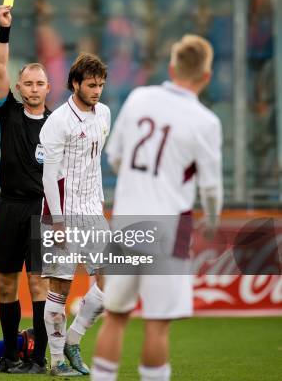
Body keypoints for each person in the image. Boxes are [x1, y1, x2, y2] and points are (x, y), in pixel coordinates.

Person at [91, 35, 222, 381]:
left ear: (171, 68)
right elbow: (210, 187)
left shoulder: (139, 98)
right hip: (170, 228)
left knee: (116, 316)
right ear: (206, 77)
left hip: (127, 221)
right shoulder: (205, 121)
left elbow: (115, 155)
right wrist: (211, 218)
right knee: (157, 324)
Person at [0, 3, 50, 374]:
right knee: (6, 287)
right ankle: (9, 356)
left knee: (38, 285)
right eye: (28, 83)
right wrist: (4, 30)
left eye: (40, 83)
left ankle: (38, 359)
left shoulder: (58, 124)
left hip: (42, 210)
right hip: (8, 207)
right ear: (19, 86)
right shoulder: (7, 111)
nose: (34, 89)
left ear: (48, 87)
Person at [39, 53, 111, 376]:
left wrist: (98, 202)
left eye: (101, 86)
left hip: (93, 212)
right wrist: (57, 221)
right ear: (75, 84)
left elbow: (92, 165)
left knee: (113, 283)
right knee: (60, 289)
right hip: (62, 214)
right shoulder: (58, 122)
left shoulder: (105, 114)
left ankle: (73, 338)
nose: (97, 91)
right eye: (92, 85)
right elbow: (48, 176)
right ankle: (56, 363)